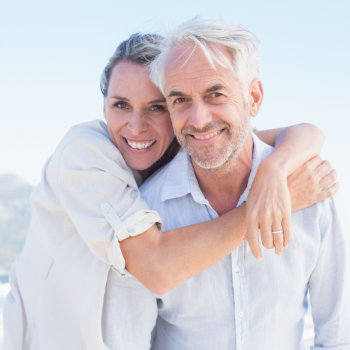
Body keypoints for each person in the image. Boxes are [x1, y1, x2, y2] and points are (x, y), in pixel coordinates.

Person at [3, 33, 337, 350]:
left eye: (157, 107)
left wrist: (274, 170)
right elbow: (154, 266)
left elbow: (297, 133)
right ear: (103, 106)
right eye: (121, 104)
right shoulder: (84, 153)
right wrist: (269, 205)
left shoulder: (186, 148)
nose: (136, 125)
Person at [117, 19, 350, 350]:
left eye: (215, 94)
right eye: (180, 99)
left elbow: (339, 338)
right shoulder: (146, 210)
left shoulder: (313, 191)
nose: (198, 119)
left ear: (253, 98)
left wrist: (274, 169)